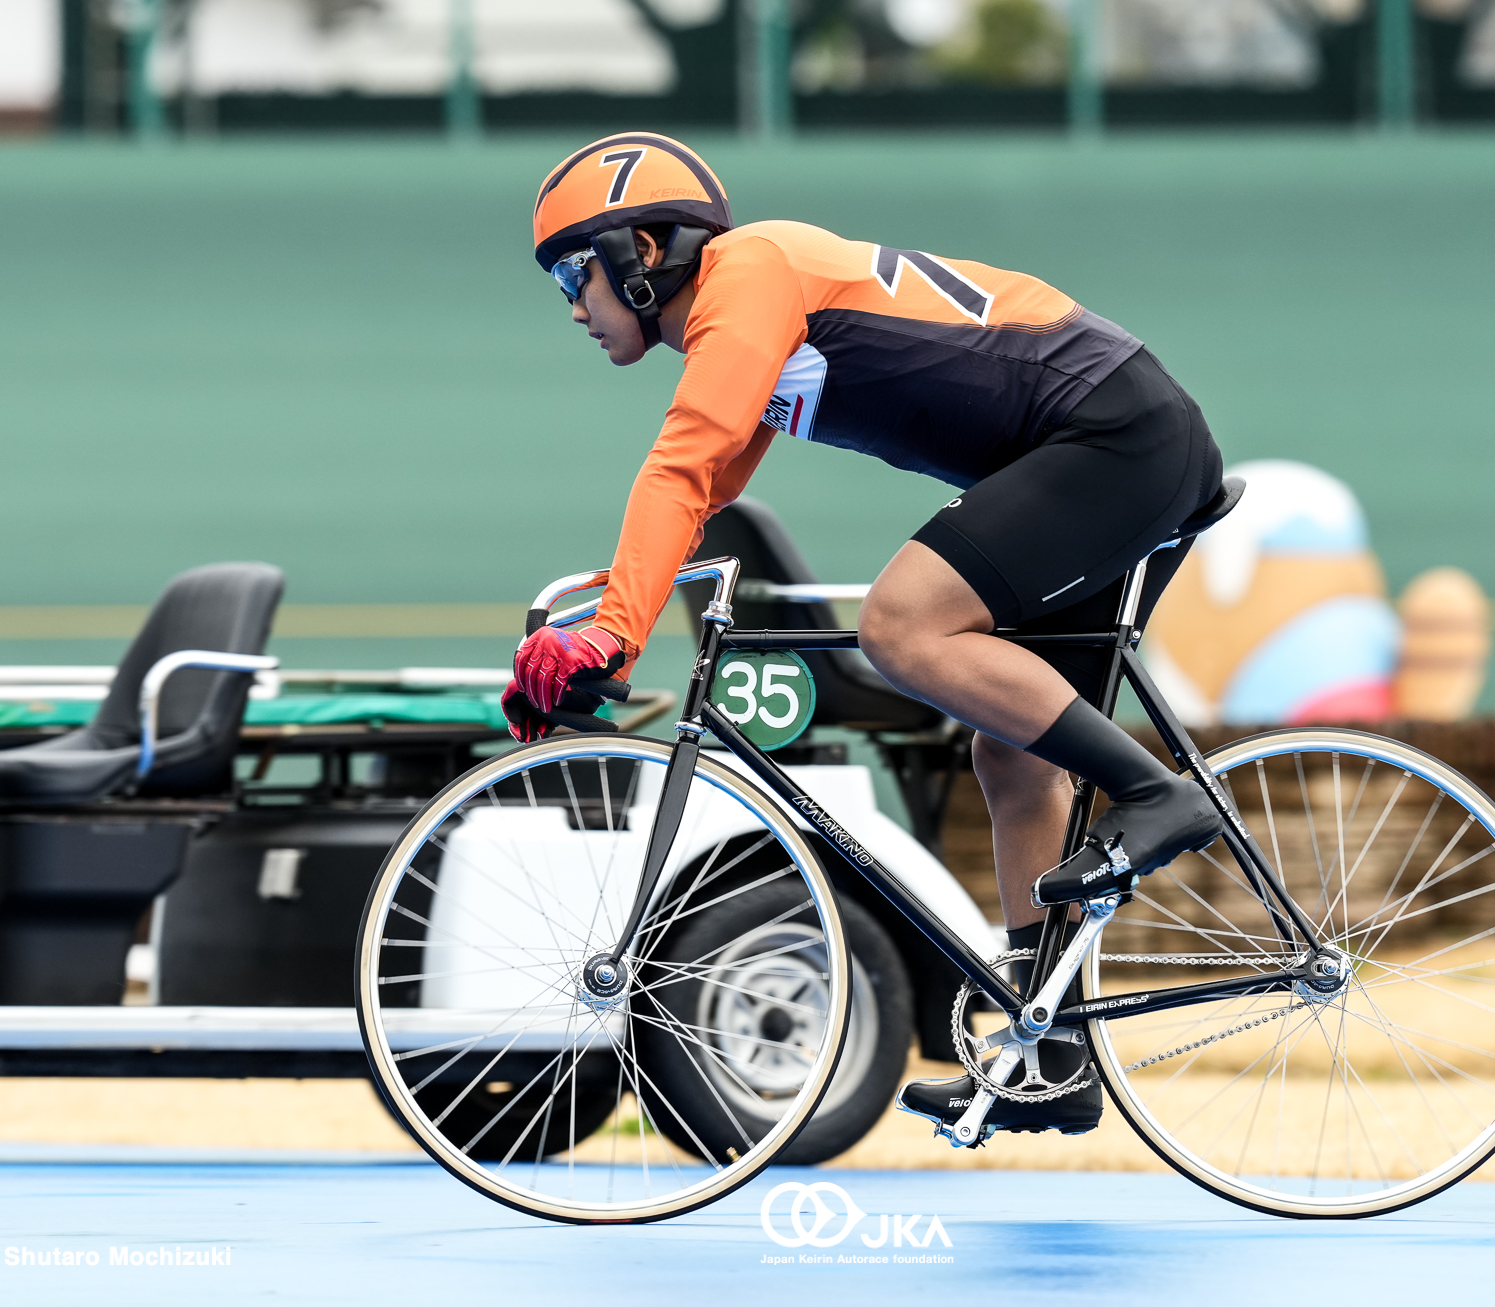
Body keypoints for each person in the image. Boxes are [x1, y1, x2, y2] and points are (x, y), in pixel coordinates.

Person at [506, 132, 1225, 1139]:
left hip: (1113, 436)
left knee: (901, 623)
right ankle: (1049, 1052)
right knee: (1011, 754)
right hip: (1103, 442)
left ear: (645, 252)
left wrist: (609, 639)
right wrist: (598, 624)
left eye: (575, 273)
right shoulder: (736, 326)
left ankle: (1157, 794)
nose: (574, 307)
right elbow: (705, 486)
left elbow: (679, 468)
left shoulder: (745, 272)